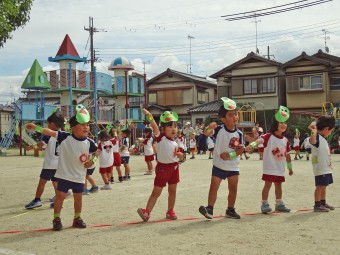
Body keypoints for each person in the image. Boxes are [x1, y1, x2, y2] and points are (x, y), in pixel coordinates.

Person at [26, 104, 98, 231]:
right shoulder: (65, 137)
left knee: (78, 198)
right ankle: (56, 219)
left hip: (79, 176)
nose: (86, 127)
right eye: (83, 125)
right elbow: (50, 132)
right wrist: (36, 127)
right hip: (64, 175)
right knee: (60, 197)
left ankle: (77, 218)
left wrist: (91, 161)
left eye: (87, 125)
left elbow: (97, 152)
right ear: (73, 127)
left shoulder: (90, 143)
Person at [199, 97, 245, 220]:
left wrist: (230, 155)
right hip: (218, 165)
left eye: (236, 114)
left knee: (233, 188)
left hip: (233, 166)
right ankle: (209, 208)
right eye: (231, 115)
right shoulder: (219, 130)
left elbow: (241, 150)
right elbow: (206, 133)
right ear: (223, 119)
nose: (235, 117)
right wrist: (209, 127)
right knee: (214, 186)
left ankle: (230, 209)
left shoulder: (239, 134)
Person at [137, 109, 184, 222]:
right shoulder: (160, 137)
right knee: (156, 192)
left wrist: (180, 155)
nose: (173, 129)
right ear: (163, 129)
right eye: (170, 126)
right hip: (162, 168)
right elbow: (154, 126)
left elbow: (182, 157)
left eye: (175, 126)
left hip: (174, 168)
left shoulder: (176, 143)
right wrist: (149, 116)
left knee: (172, 191)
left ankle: (170, 210)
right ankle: (147, 212)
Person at [247, 106, 293, 214]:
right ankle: (264, 204)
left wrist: (290, 168)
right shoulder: (269, 136)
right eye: (281, 122)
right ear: (275, 125)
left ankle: (279, 203)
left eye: (285, 123)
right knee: (267, 185)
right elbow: (259, 140)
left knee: (279, 185)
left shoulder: (285, 140)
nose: (283, 125)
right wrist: (252, 145)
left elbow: (287, 155)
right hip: (270, 167)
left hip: (280, 168)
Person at [25, 111, 65, 209]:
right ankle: (58, 201)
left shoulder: (48, 134)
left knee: (42, 182)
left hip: (50, 163)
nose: (47, 126)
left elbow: (41, 144)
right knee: (56, 182)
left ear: (52, 124)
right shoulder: (64, 134)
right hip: (59, 164)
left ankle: (37, 200)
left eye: (48, 123)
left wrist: (32, 147)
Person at [309, 115, 335, 212]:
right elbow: (312, 141)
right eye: (331, 130)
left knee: (324, 185)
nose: (330, 132)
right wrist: (314, 130)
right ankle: (317, 204)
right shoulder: (317, 137)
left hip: (326, 167)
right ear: (326, 129)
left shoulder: (323, 138)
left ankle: (323, 202)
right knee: (320, 186)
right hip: (320, 168)